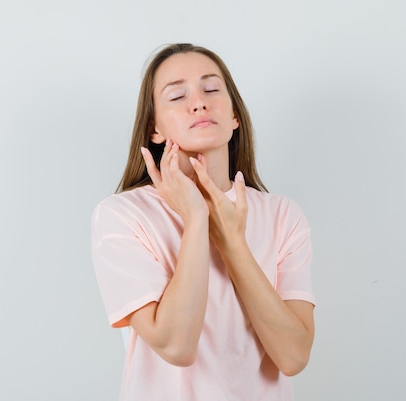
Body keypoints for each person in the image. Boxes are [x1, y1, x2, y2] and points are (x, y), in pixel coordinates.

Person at [91, 43, 315, 401]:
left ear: (235, 116)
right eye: (177, 96)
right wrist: (196, 220)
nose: (199, 102)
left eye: (211, 89)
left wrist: (233, 245)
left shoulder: (282, 215)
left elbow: (293, 356)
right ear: (154, 129)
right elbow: (176, 346)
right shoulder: (123, 215)